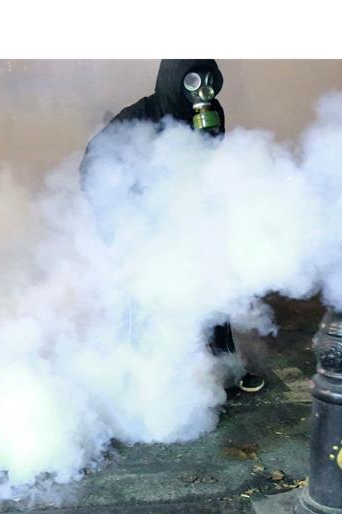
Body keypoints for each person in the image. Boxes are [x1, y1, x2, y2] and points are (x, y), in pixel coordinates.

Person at [80, 59, 265, 394]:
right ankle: (127, 373)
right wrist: (123, 213)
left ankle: (227, 365)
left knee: (216, 286)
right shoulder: (142, 114)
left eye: (210, 79)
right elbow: (94, 160)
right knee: (138, 299)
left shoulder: (211, 112)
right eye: (193, 79)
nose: (203, 89)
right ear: (173, 79)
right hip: (144, 221)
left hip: (189, 214)